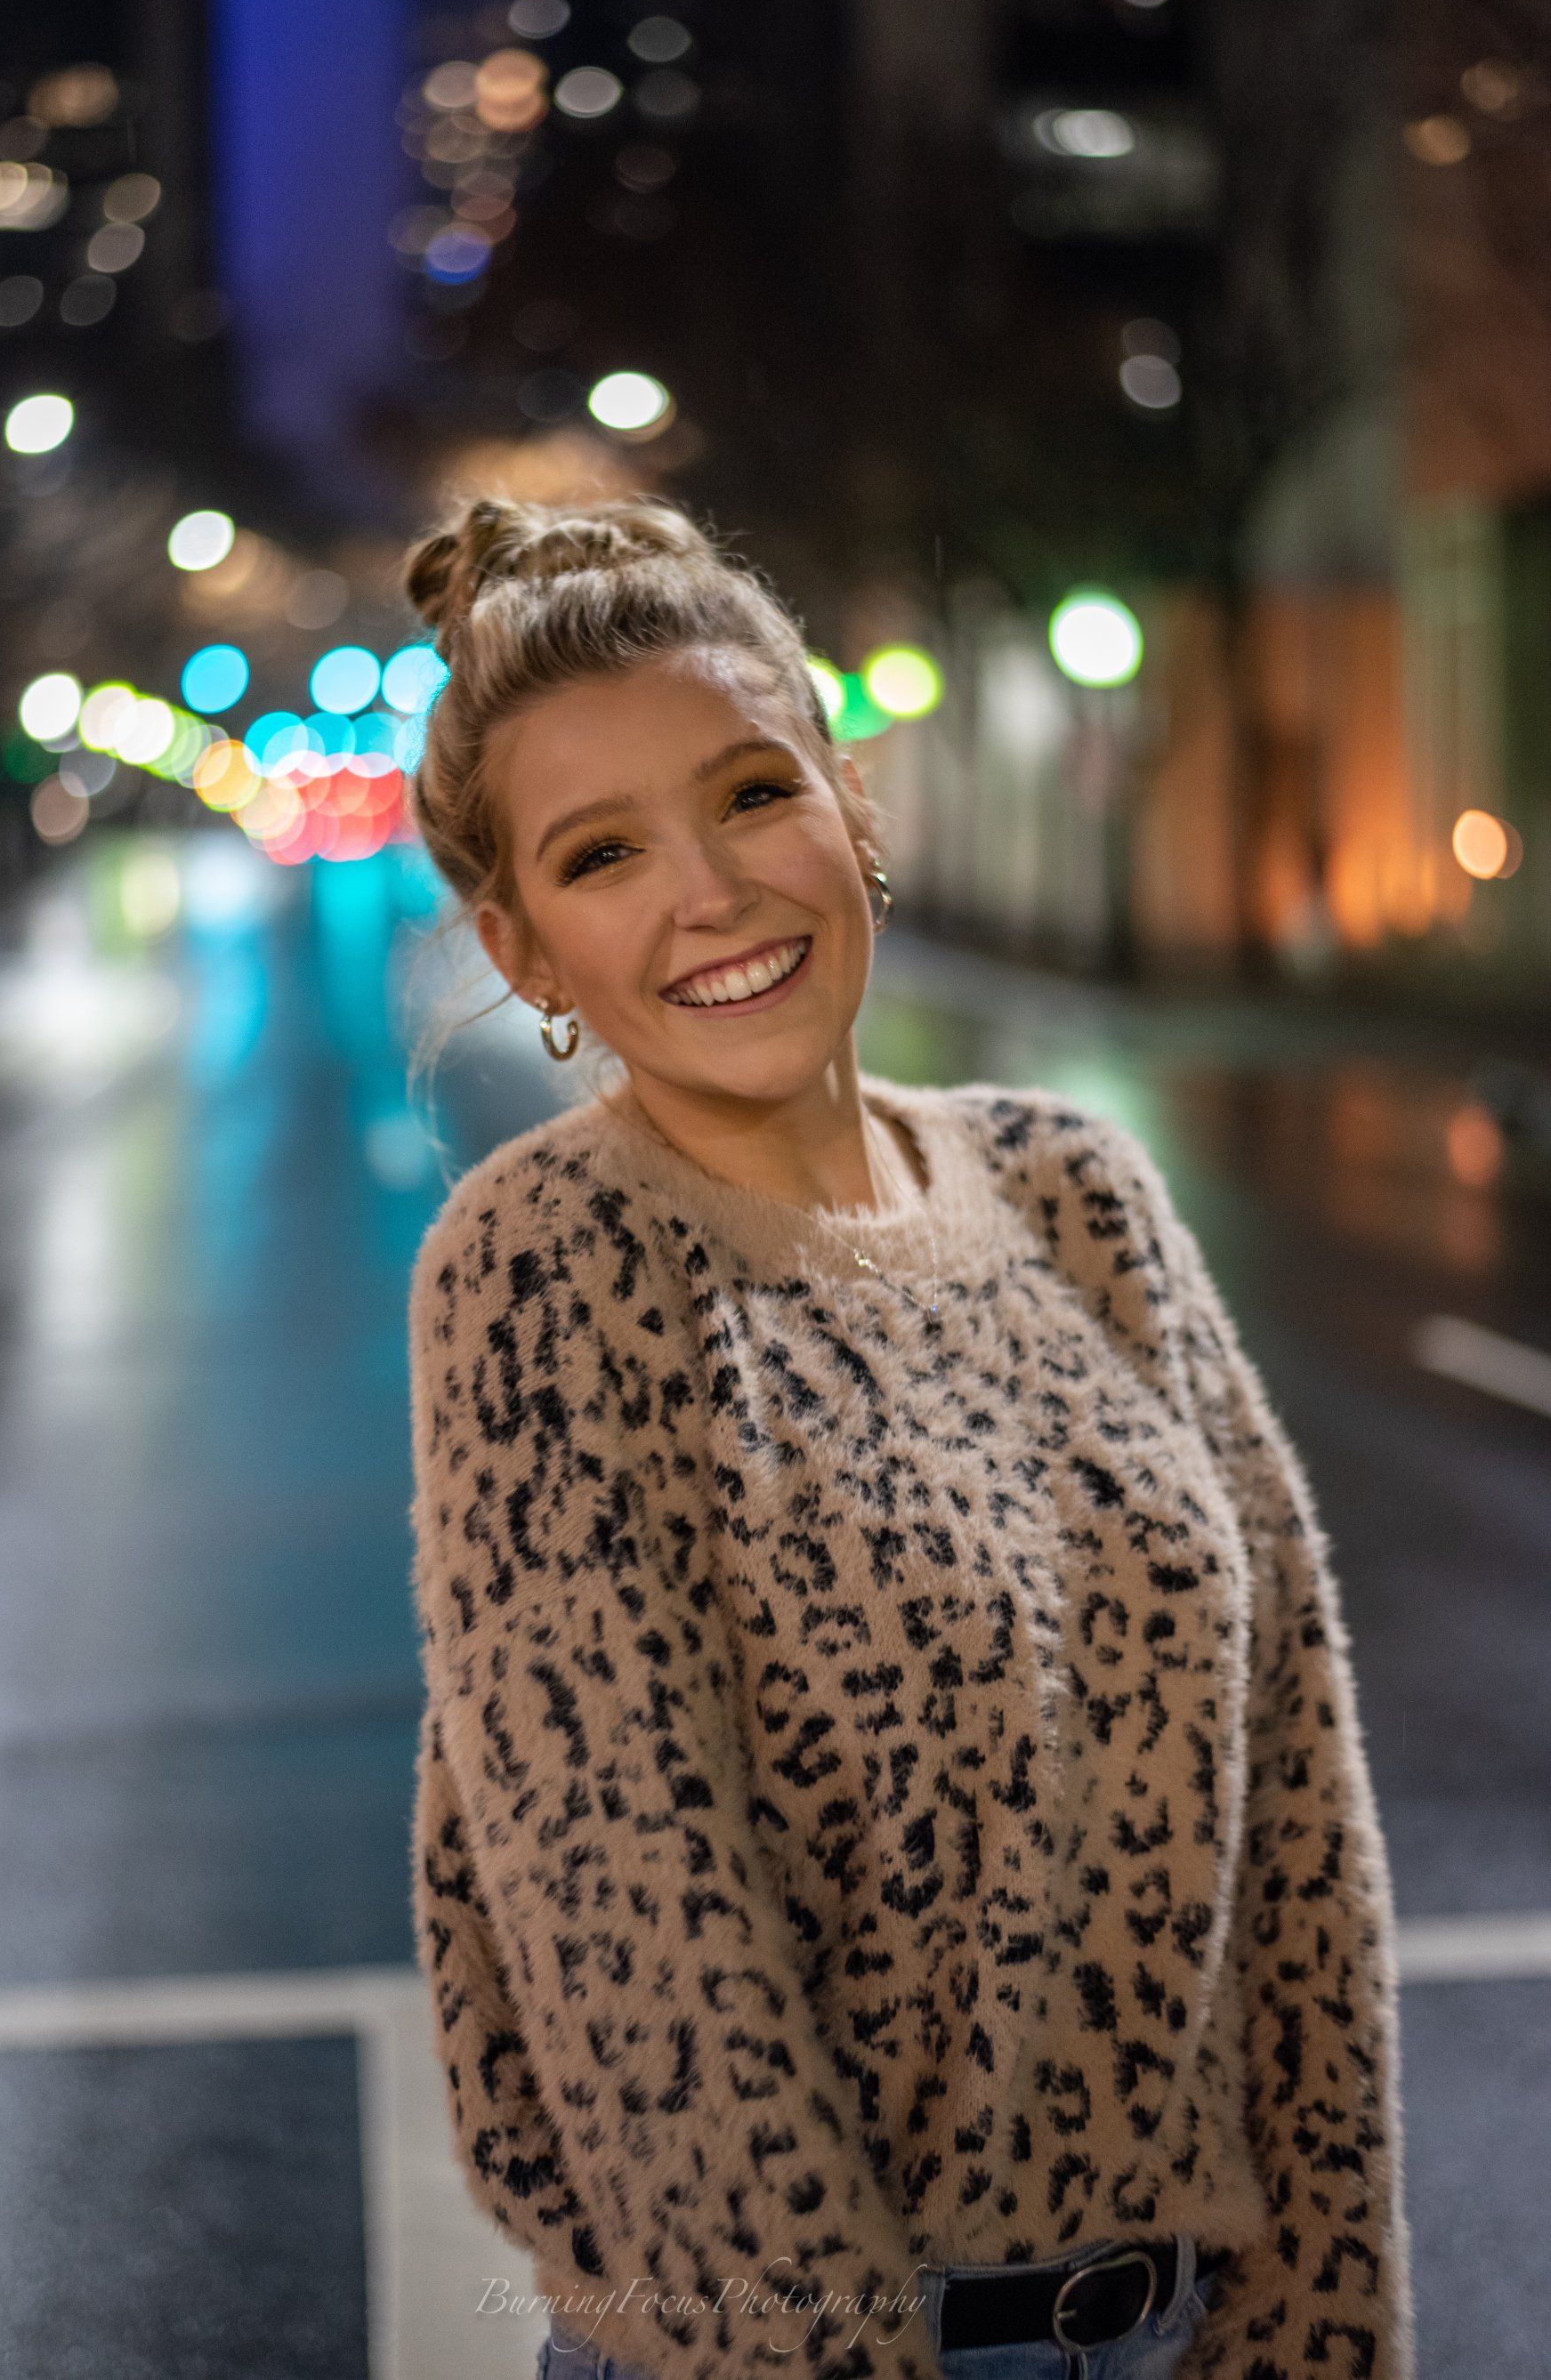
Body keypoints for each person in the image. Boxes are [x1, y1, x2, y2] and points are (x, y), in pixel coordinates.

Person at [405, 495, 1415, 2380]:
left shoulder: (1078, 1191)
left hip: (1177, 2326)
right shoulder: (549, 1265)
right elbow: (649, 1959)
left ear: (850, 811)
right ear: (527, 950)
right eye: (604, 852)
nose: (708, 893)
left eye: (752, 794)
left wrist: (1323, 2322)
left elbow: (1298, 1819)